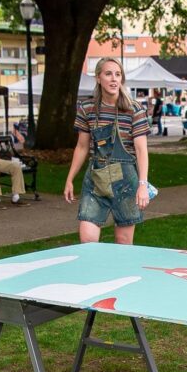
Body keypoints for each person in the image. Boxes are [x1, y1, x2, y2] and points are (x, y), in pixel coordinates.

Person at [63, 57, 151, 244]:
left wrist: (143, 184)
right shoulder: (87, 108)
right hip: (96, 181)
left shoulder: (134, 109)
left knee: (123, 244)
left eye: (118, 75)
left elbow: (141, 150)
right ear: (98, 78)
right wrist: (70, 179)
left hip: (126, 183)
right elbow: (82, 146)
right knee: (87, 241)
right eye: (108, 74)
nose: (114, 79)